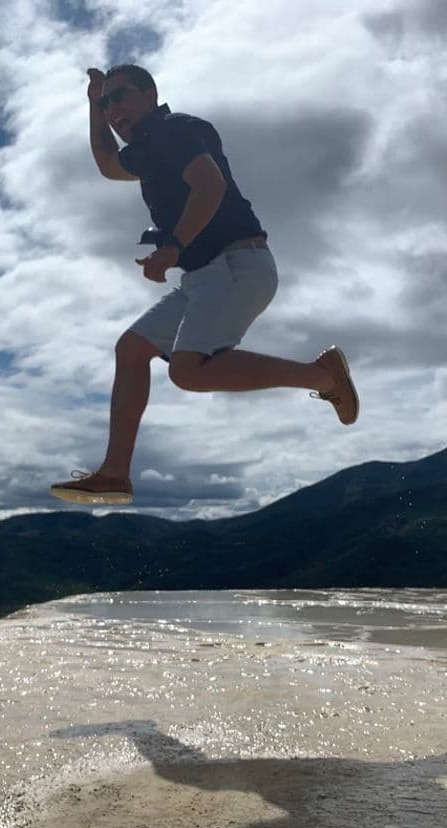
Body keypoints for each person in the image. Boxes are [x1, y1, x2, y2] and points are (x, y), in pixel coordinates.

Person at [50, 64, 358, 506]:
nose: (113, 108)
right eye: (107, 102)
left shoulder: (175, 130)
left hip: (236, 263)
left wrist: (174, 245)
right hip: (205, 276)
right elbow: (106, 163)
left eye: (121, 96)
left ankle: (322, 375)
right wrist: (92, 105)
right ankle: (115, 474)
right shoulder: (147, 149)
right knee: (132, 349)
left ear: (151, 93)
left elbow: (209, 185)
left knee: (187, 371)